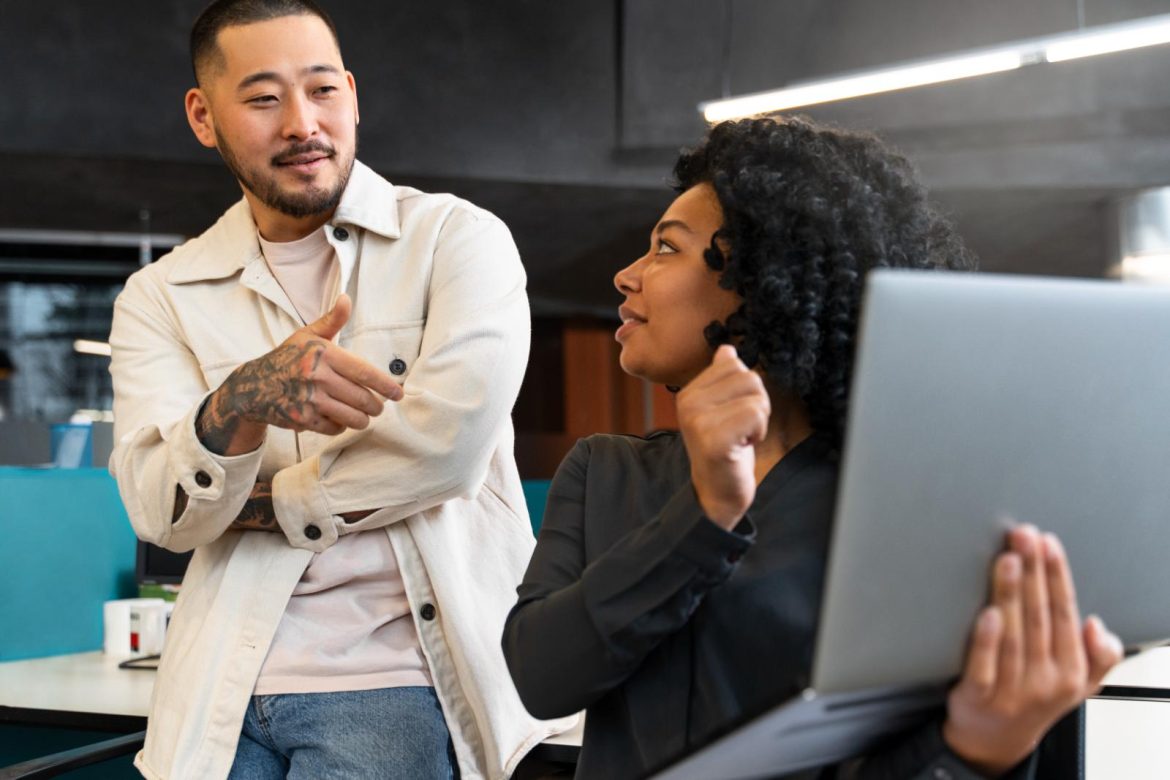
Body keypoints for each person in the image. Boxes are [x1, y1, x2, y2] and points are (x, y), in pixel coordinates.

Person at [501, 116, 1124, 779]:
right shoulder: (604, 472)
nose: (626, 276)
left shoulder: (901, 507)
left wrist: (979, 750)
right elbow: (542, 678)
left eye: (665, 248)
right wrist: (704, 514)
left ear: (764, 277)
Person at [108, 1, 571, 778]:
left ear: (352, 96)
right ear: (203, 116)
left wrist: (261, 500)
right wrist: (240, 401)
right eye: (263, 98)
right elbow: (161, 512)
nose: (302, 123)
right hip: (211, 694)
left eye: (322, 89)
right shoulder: (161, 295)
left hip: (391, 680)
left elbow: (447, 453)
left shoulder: (456, 241)